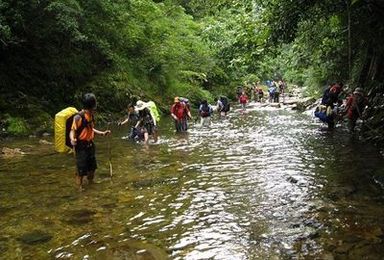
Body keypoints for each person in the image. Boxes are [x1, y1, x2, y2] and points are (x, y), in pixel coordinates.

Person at [70, 93, 111, 191]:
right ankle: (79, 189)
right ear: (91, 106)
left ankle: (90, 186)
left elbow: (91, 129)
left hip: (90, 145)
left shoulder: (91, 116)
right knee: (80, 171)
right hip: (81, 147)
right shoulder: (78, 117)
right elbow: (72, 131)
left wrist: (102, 133)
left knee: (92, 169)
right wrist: (72, 139)